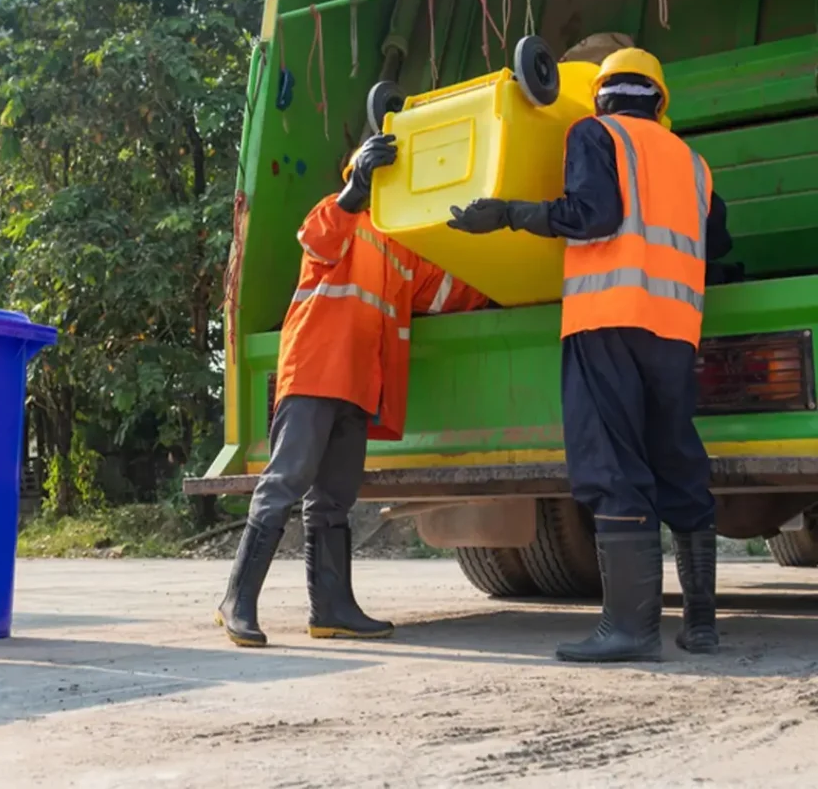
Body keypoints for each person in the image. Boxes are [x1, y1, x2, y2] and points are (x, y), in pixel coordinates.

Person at [447, 47, 733, 663]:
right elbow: (717, 240)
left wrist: (510, 213)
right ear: (659, 101)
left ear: (601, 95)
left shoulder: (594, 133)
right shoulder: (692, 162)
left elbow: (594, 215)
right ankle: (702, 624)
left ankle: (630, 629)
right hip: (674, 328)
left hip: (606, 320)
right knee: (677, 459)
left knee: (613, 466)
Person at [217, 126, 489, 648]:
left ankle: (332, 610)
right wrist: (353, 191)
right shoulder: (335, 215)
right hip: (316, 373)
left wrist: (495, 255)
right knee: (285, 482)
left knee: (334, 499)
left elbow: (452, 293)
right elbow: (317, 236)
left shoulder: (401, 248)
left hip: (359, 386)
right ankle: (238, 601)